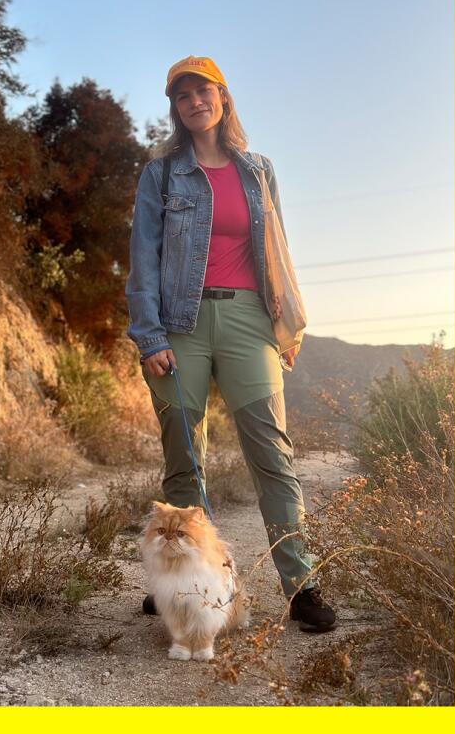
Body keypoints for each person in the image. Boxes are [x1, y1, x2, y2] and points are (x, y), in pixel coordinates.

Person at [125, 55, 336, 632]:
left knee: (273, 457)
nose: (195, 101)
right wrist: (148, 336)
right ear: (175, 107)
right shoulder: (161, 175)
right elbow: (143, 259)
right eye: (183, 95)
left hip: (249, 322)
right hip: (179, 326)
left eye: (204, 91)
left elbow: (279, 252)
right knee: (183, 465)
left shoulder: (259, 170)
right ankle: (181, 587)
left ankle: (301, 587)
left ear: (223, 96)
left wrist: (285, 325)